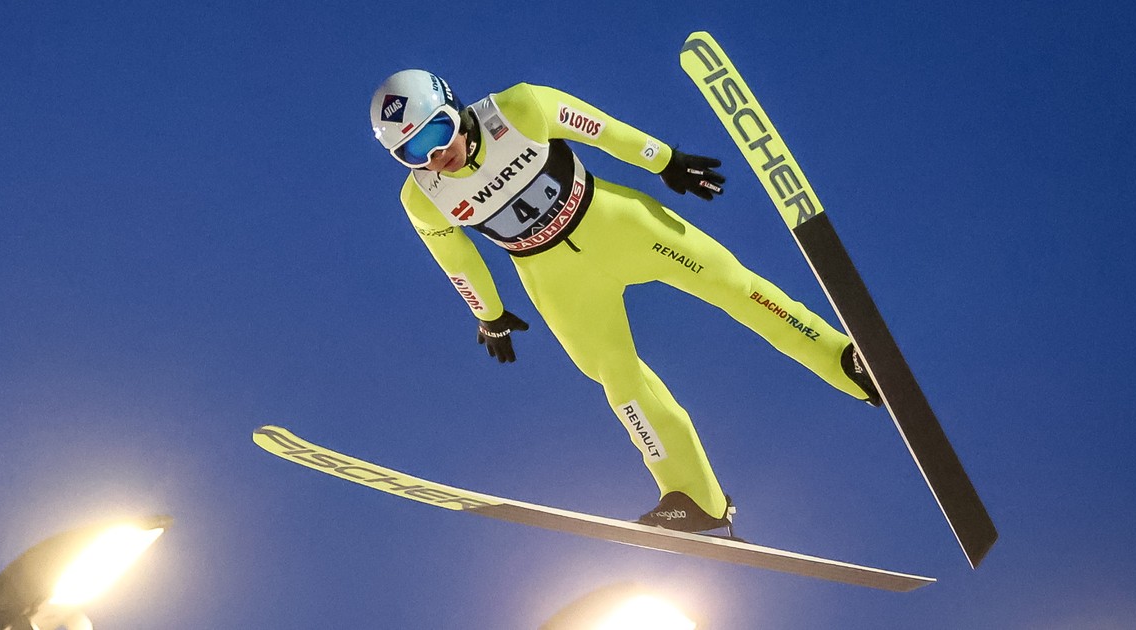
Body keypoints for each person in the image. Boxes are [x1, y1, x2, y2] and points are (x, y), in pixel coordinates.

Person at [369, 69, 880, 535]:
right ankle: (694, 496)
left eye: (436, 133)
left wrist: (666, 161)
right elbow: (456, 260)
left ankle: (843, 360)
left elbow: (601, 129)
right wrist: (490, 315)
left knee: (734, 286)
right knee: (619, 381)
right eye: (413, 153)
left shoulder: (519, 108)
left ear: (453, 106)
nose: (436, 157)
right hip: (555, 278)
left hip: (619, 224)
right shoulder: (422, 199)